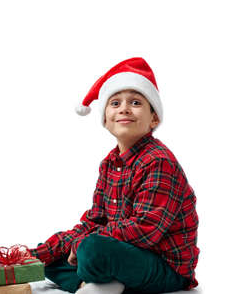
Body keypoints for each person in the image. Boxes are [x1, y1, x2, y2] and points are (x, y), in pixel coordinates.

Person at [30, 57, 199, 294]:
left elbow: (146, 229)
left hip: (164, 265)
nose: (124, 109)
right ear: (105, 119)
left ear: (154, 118)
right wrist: (37, 254)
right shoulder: (109, 164)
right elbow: (95, 220)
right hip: (122, 252)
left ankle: (103, 279)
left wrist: (81, 246)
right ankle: (97, 283)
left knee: (92, 249)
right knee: (49, 258)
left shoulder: (159, 161)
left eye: (136, 102)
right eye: (115, 103)